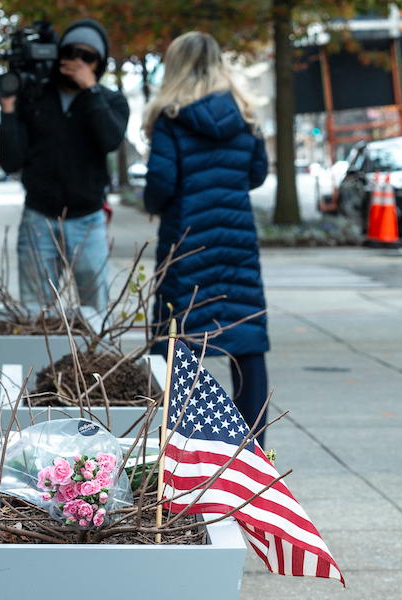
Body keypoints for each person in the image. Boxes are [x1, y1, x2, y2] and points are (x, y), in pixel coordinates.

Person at [142, 32, 271, 444]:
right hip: (235, 241)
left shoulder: (171, 118)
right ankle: (254, 461)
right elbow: (256, 174)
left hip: (186, 243)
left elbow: (161, 185)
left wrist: (152, 201)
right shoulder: (245, 114)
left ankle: (180, 452)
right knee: (246, 341)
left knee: (176, 343)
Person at [0, 19, 129, 313]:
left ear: (100, 62)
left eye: (88, 56)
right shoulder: (34, 97)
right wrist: (8, 110)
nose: (77, 62)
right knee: (37, 311)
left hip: (88, 219)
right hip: (39, 217)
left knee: (95, 309)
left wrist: (91, 91)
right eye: (71, 53)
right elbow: (10, 160)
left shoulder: (111, 101)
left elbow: (110, 140)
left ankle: (88, 361)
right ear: (59, 55)